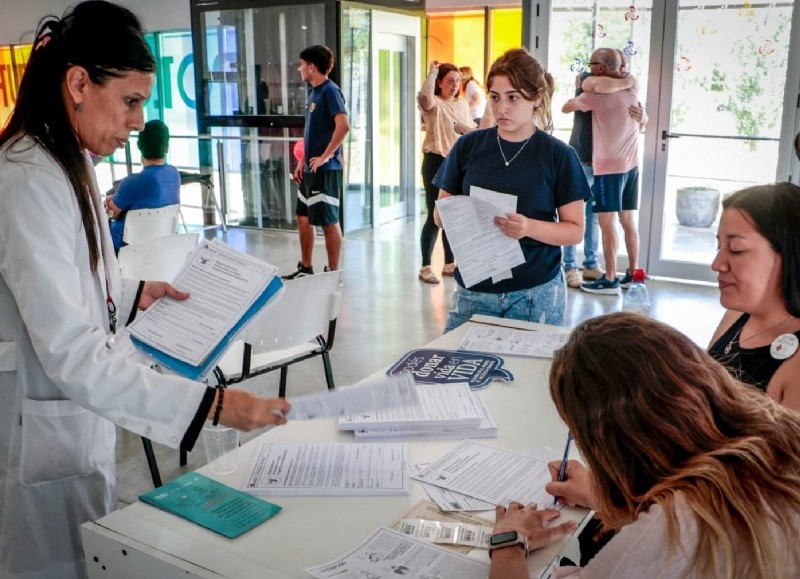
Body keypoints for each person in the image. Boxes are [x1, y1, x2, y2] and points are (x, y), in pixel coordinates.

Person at [0, 3, 291, 576]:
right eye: (131, 101)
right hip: (34, 426)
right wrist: (212, 404)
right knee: (47, 564)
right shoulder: (26, 177)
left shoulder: (68, 161)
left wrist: (133, 293)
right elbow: (71, 353)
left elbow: (73, 278)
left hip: (70, 422)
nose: (137, 122)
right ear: (78, 83)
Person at [489, 313, 800, 578]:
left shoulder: (671, 527)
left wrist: (508, 542)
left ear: (611, 441)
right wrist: (605, 493)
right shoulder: (779, 434)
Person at [433, 48, 588, 331]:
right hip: (474, 289)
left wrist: (528, 227)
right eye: (495, 97)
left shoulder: (559, 155)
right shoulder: (468, 147)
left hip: (535, 291)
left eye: (513, 97)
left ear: (537, 97)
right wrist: (461, 214)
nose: (502, 107)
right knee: (456, 370)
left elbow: (575, 230)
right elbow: (439, 215)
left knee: (526, 375)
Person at [708, 182, 800, 410]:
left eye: (736, 249)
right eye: (719, 247)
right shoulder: (738, 313)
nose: (717, 264)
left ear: (788, 253)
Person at [562, 51, 647, 289]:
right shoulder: (630, 89)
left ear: (600, 67)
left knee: (605, 221)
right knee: (626, 220)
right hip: (629, 166)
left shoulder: (594, 95)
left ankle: (609, 278)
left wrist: (578, 100)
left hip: (608, 168)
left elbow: (566, 107)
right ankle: (633, 274)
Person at [283, 45, 349, 279]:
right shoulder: (313, 92)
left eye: (301, 64)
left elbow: (343, 126)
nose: (299, 68)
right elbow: (314, 131)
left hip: (326, 170)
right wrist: (302, 160)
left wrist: (325, 156)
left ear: (312, 66)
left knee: (329, 222)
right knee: (303, 216)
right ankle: (306, 268)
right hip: (310, 168)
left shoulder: (330, 91)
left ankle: (333, 273)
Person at [417, 61, 475, 284]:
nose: (455, 84)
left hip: (456, 164)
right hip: (435, 160)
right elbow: (425, 98)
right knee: (435, 213)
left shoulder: (462, 105)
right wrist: (431, 72)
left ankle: (450, 263)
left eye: (458, 80)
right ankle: (425, 266)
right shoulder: (434, 104)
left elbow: (470, 133)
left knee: (453, 214)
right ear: (439, 83)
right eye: (450, 80)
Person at [105, 119, 181, 252]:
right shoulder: (174, 174)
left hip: (124, 249)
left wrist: (109, 200)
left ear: (139, 145)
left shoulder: (131, 182)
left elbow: (112, 212)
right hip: (160, 246)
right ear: (167, 147)